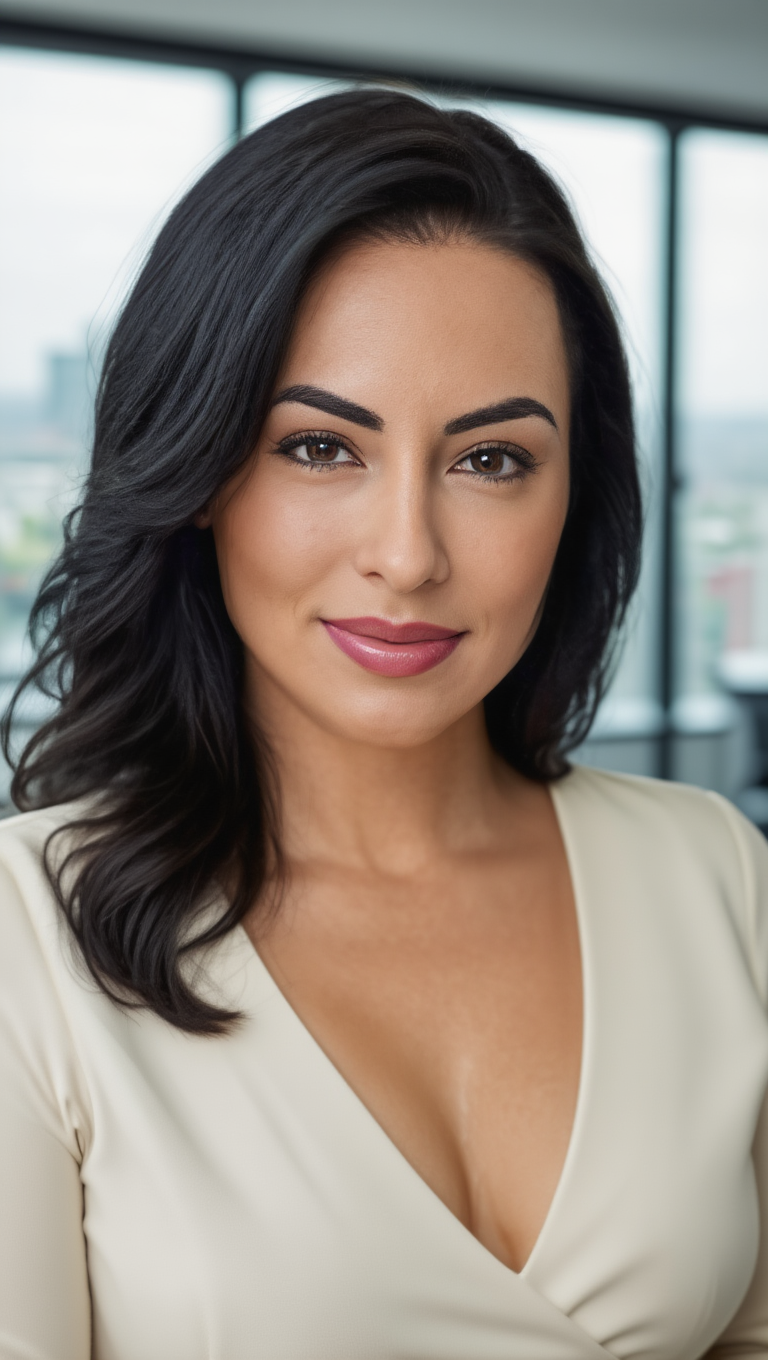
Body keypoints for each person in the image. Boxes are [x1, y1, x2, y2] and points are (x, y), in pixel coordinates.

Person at [1, 87, 767, 1360]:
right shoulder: (27, 938)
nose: (407, 556)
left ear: (577, 493)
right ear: (198, 476)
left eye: (490, 460)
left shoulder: (717, 879)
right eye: (319, 447)